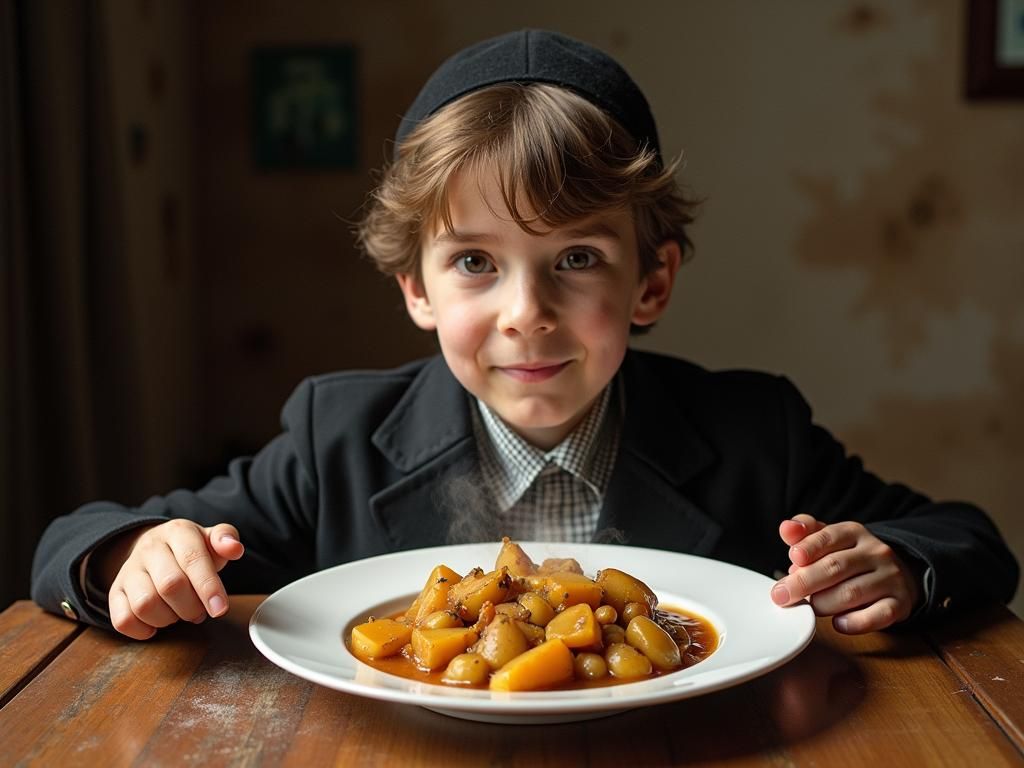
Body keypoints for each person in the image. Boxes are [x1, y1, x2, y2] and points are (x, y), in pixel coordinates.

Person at [32, 29, 1017, 641]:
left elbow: (965, 541)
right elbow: (75, 541)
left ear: (653, 280)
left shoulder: (755, 434)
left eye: (577, 259)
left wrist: (896, 565)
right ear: (415, 287)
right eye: (474, 262)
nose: (525, 312)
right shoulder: (336, 436)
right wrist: (133, 557)